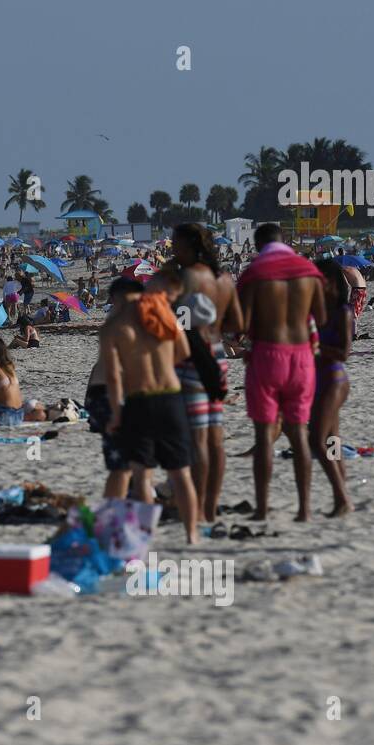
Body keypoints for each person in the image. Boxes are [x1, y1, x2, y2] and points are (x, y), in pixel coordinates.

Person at [236, 223, 326, 523]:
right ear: (284, 241)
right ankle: (304, 509)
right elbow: (322, 317)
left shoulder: (254, 274)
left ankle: (262, 508)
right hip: (301, 357)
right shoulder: (309, 271)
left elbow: (242, 324)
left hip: (267, 354)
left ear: (259, 244)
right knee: (299, 434)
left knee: (264, 435)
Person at [100, 275, 200, 542]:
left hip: (139, 400)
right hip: (171, 397)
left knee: (143, 475)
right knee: (181, 474)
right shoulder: (162, 312)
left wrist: (116, 413)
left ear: (117, 298)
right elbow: (184, 352)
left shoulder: (114, 326)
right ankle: (191, 535)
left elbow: (112, 377)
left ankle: (147, 536)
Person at [170, 222, 243, 527]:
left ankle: (197, 507)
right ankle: (210, 508)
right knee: (215, 439)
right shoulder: (223, 278)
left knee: (197, 438)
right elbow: (238, 323)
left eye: (176, 245)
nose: (173, 250)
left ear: (189, 247)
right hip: (217, 357)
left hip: (191, 358)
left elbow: (179, 324)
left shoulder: (187, 277)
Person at [88, 277, 144, 498]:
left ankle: (121, 511)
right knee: (122, 466)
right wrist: (118, 412)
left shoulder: (116, 322)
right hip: (109, 395)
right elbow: (112, 373)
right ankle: (114, 516)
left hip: (106, 393)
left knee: (126, 464)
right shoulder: (120, 324)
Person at [311, 260, 353, 517]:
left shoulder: (342, 311)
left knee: (315, 440)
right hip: (319, 379)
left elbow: (344, 352)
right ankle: (342, 486)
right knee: (332, 439)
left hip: (335, 379)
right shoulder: (319, 310)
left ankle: (341, 497)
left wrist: (316, 347)